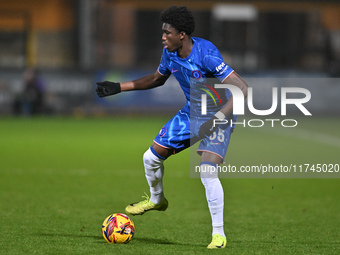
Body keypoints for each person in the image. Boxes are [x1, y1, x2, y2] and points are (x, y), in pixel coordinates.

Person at [96, 6, 248, 249]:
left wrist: (218, 118)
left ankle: (218, 235)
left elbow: (242, 89)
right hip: (192, 114)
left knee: (207, 172)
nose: (163, 37)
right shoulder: (170, 53)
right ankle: (157, 200)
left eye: (167, 32)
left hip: (220, 115)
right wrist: (118, 87)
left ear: (182, 35)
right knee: (150, 158)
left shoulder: (206, 55)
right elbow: (157, 78)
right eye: (162, 32)